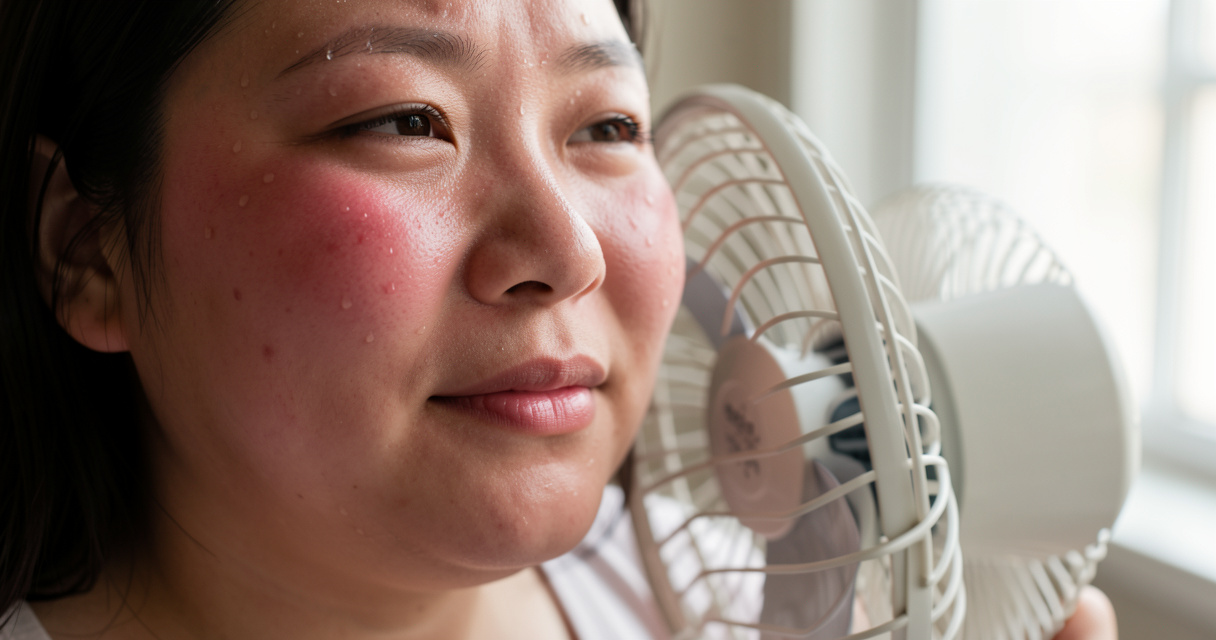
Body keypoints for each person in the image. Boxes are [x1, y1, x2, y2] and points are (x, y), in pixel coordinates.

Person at [0, 0, 1116, 638]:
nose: (569, 250)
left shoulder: (745, 598)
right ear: (86, 248)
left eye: (608, 127)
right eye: (404, 118)